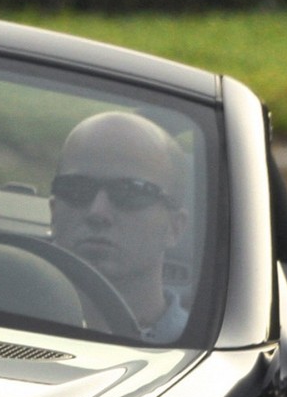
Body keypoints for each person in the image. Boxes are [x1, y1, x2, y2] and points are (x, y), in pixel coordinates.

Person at [49, 110, 191, 342]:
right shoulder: (0, 317)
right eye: (77, 189)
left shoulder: (204, 355)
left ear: (175, 227)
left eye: (131, 192)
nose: (98, 212)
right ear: (53, 211)